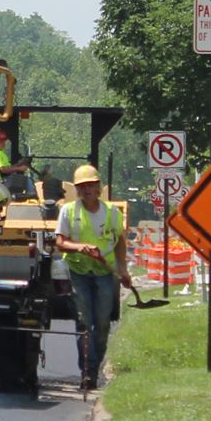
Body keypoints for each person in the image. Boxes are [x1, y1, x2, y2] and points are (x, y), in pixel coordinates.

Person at [57, 163, 134, 392]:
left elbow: (120, 242)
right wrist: (80, 247)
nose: (87, 190)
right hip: (78, 272)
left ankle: (95, 365)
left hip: (104, 273)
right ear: (77, 190)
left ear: (99, 187)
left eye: (90, 185)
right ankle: (87, 372)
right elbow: (60, 242)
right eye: (82, 187)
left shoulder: (111, 213)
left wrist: (123, 270)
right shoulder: (68, 211)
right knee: (84, 322)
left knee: (102, 324)